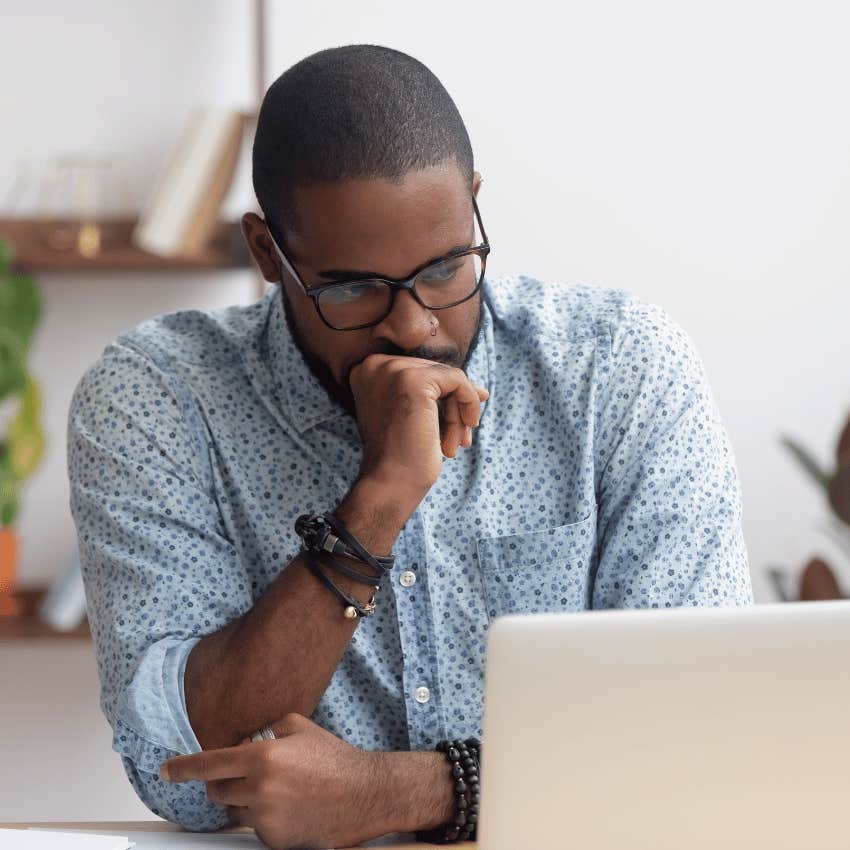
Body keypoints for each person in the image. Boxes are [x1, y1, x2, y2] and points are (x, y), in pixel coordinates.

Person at [67, 44, 752, 849]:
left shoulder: (620, 369)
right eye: (352, 287)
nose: (414, 325)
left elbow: (702, 736)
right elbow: (181, 772)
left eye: (445, 267)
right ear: (265, 254)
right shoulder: (160, 395)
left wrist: (394, 794)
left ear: (474, 207)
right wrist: (378, 500)